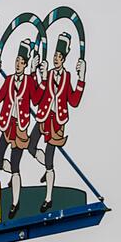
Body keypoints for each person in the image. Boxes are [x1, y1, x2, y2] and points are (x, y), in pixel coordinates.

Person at [27, 33, 86, 213]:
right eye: (55, 56)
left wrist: (81, 77)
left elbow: (74, 100)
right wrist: (37, 74)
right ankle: (46, 167)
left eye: (60, 57)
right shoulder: (49, 74)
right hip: (44, 117)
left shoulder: (67, 77)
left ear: (64, 58)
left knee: (50, 159)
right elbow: (36, 97)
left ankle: (48, 198)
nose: (56, 59)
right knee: (30, 146)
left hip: (57, 122)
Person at [0, 39, 43, 218]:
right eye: (17, 61)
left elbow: (36, 99)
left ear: (26, 64)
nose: (18, 64)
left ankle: (14, 203)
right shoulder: (10, 80)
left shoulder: (28, 80)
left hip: (20, 129)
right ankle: (13, 177)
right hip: (7, 126)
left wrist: (38, 75)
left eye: (21, 62)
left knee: (16, 167)